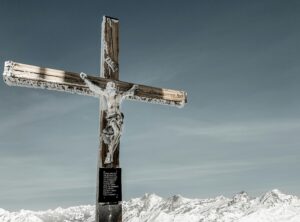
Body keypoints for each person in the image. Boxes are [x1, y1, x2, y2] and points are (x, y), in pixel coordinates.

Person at [80, 72, 138, 164]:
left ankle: (110, 154)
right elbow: (94, 88)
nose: (113, 90)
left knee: (118, 135)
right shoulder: (107, 95)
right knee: (118, 133)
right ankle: (109, 155)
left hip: (119, 119)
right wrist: (85, 79)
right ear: (108, 89)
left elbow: (128, 93)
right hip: (112, 119)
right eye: (111, 88)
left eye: (113, 88)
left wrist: (134, 88)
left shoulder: (119, 96)